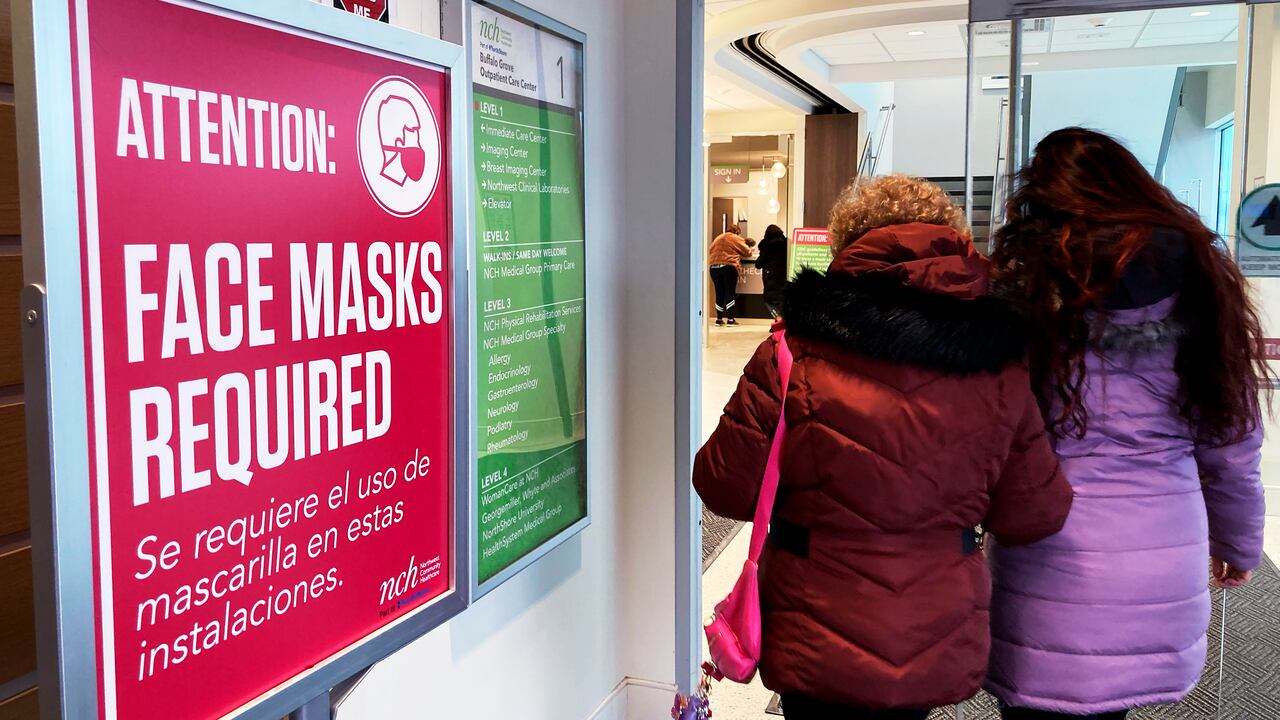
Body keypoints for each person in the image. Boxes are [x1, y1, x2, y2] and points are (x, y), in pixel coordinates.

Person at [694, 175, 1074, 720]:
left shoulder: (792, 351)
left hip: (815, 626)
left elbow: (722, 484)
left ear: (846, 245)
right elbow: (1036, 513)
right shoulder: (999, 365)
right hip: (933, 625)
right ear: (954, 242)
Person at [986, 128, 1269, 720]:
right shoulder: (1200, 281)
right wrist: (1238, 542)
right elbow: (1232, 445)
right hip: (1160, 541)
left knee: (1039, 700)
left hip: (1047, 543)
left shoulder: (1025, 288)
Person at [708, 224, 753, 326]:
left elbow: (710, 250)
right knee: (730, 292)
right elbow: (747, 252)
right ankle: (730, 319)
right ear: (737, 232)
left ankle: (719, 320)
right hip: (728, 266)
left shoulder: (718, 237)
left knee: (719, 292)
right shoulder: (736, 238)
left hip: (714, 267)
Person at [756, 224, 789, 317]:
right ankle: (780, 323)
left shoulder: (766, 246)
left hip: (771, 278)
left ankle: (779, 321)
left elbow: (758, 264)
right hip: (784, 277)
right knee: (781, 301)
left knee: (769, 301)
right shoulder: (786, 243)